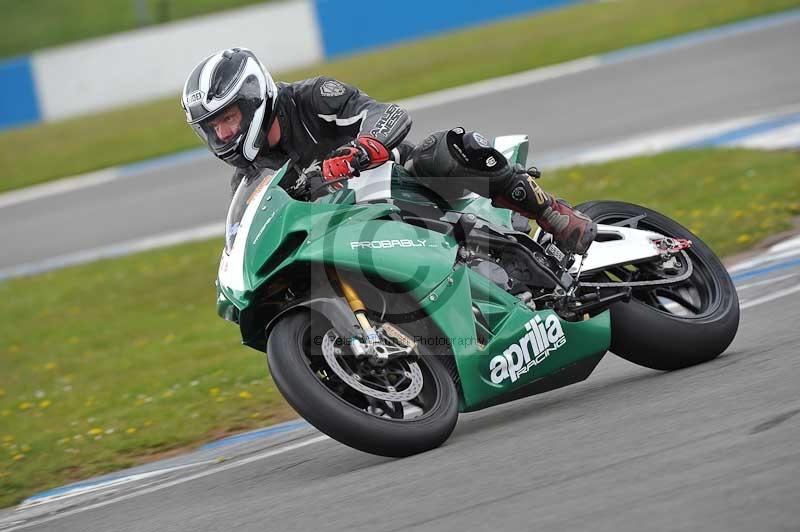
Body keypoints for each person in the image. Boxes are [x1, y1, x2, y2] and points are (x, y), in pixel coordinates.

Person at [181, 48, 596, 254]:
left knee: (442, 150)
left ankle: (552, 213)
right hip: (351, 229)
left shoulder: (312, 98)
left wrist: (360, 152)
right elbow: (254, 235)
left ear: (253, 97)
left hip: (406, 182)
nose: (223, 132)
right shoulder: (251, 178)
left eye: (228, 118)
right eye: (213, 126)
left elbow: (387, 114)